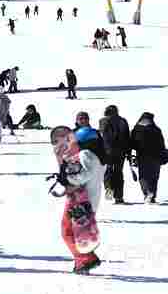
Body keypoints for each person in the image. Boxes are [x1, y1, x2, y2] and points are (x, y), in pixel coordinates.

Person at [56, 126, 106, 274]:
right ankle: (83, 260)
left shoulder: (86, 154)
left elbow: (83, 176)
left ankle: (85, 259)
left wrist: (67, 177)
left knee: (67, 231)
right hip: (89, 198)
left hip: (80, 199)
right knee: (80, 232)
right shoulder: (99, 156)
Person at [130, 112, 166, 203]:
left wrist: (131, 156)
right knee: (154, 177)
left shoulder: (136, 129)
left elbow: (132, 144)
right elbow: (161, 144)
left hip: (142, 156)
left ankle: (147, 193)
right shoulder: (156, 129)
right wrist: (163, 157)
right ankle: (152, 195)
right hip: (156, 157)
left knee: (143, 176)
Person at [99, 105, 131, 203]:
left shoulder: (103, 121)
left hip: (107, 151)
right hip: (120, 152)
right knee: (118, 172)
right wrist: (128, 152)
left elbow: (102, 136)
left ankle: (108, 187)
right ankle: (119, 197)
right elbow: (127, 137)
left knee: (107, 170)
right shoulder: (123, 121)